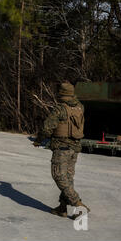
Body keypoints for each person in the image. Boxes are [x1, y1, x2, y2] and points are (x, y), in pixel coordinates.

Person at [35, 82, 90, 217]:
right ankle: (62, 207)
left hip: (62, 147)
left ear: (61, 94)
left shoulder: (60, 109)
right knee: (68, 178)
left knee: (59, 176)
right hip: (74, 148)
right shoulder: (80, 107)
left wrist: (38, 140)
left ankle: (78, 204)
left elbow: (47, 128)